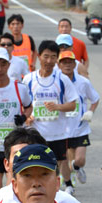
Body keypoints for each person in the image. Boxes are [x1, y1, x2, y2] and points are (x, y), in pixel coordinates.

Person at [23, 41, 78, 184]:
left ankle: (68, 184)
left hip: (57, 131)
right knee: (36, 161)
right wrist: (27, 116)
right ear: (39, 56)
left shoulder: (62, 79)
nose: (49, 61)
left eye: (53, 57)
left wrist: (57, 107)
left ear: (57, 59)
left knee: (61, 160)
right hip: (35, 132)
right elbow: (22, 104)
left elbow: (73, 105)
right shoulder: (29, 79)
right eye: (46, 56)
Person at [0, 47, 32, 192]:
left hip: (14, 147)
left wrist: (23, 117)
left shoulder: (19, 88)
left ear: (9, 65)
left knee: (13, 188)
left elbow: (29, 107)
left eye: (3, 64)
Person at [58, 50, 99, 191]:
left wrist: (90, 111)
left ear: (75, 64)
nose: (67, 65)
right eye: (64, 62)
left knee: (79, 159)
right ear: (59, 65)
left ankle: (77, 167)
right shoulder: (55, 82)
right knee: (63, 160)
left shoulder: (83, 82)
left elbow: (95, 98)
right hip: (62, 128)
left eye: (70, 62)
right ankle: (69, 185)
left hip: (80, 126)